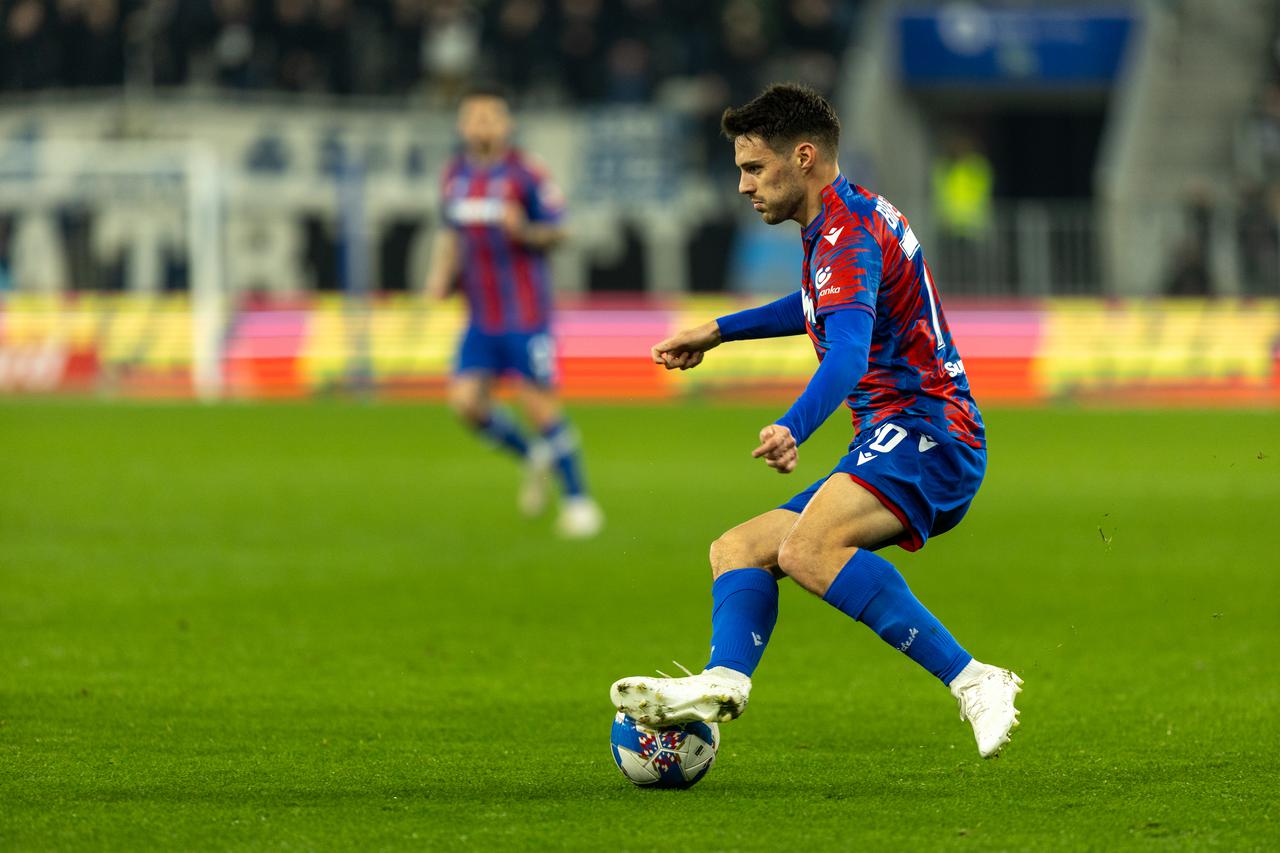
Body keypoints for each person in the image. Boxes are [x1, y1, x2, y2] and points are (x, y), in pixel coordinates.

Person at [609, 84, 1021, 758]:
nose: (743, 185)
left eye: (754, 167)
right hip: (900, 433)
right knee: (737, 549)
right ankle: (724, 682)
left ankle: (975, 678)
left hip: (928, 432)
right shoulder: (842, 219)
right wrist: (719, 330)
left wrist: (793, 426)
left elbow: (848, 353)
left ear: (802, 157)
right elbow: (814, 304)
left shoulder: (847, 235)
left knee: (806, 550)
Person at [425, 83, 603, 538]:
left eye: (491, 117)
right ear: (462, 125)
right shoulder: (454, 176)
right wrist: (439, 277)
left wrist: (524, 230)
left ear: (507, 124)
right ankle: (532, 456)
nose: (482, 125)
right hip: (479, 316)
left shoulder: (527, 174)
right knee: (465, 403)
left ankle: (579, 501)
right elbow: (450, 234)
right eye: (474, 117)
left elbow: (559, 230)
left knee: (538, 406)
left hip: (525, 314)